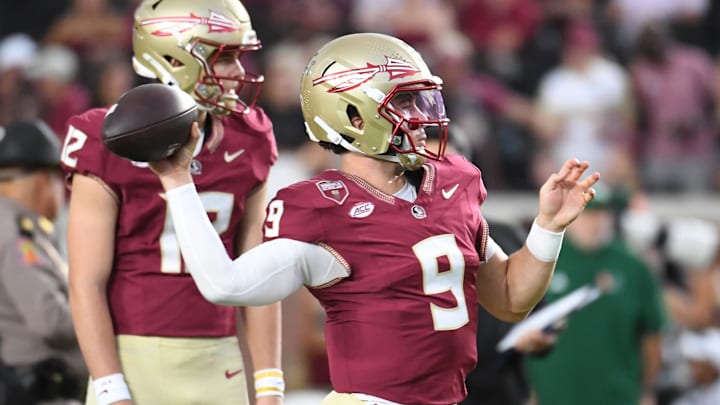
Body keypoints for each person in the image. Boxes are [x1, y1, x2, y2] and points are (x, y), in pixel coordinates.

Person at [149, 32, 600, 404]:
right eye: (404, 103)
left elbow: (509, 297)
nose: (423, 119)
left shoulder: (451, 182)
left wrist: (547, 228)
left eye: (422, 102)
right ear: (352, 115)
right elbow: (225, 284)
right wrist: (176, 180)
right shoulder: (323, 206)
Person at [58, 0, 282, 404]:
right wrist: (110, 386)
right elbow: (86, 282)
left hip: (219, 357)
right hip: (132, 355)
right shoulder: (105, 140)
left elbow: (259, 277)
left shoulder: (250, 137)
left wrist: (269, 384)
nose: (238, 74)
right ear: (173, 57)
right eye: (225, 58)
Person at [524, 184, 667, 405]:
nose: (596, 221)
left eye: (602, 213)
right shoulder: (541, 261)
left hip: (618, 396)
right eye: (587, 213)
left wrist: (646, 390)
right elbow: (522, 332)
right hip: (554, 395)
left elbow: (653, 335)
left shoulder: (633, 267)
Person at [0, 119, 86, 403]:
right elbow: (50, 320)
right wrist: (99, 312)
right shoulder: (16, 234)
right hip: (41, 390)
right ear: (42, 181)